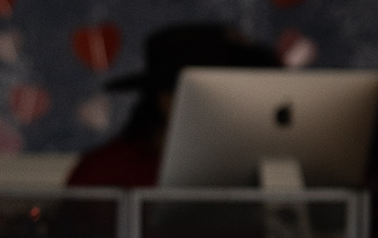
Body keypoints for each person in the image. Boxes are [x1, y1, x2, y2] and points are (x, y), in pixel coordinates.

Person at [69, 22, 279, 187]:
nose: (233, 112)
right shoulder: (105, 174)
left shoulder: (236, 173)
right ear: (168, 101)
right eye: (220, 99)